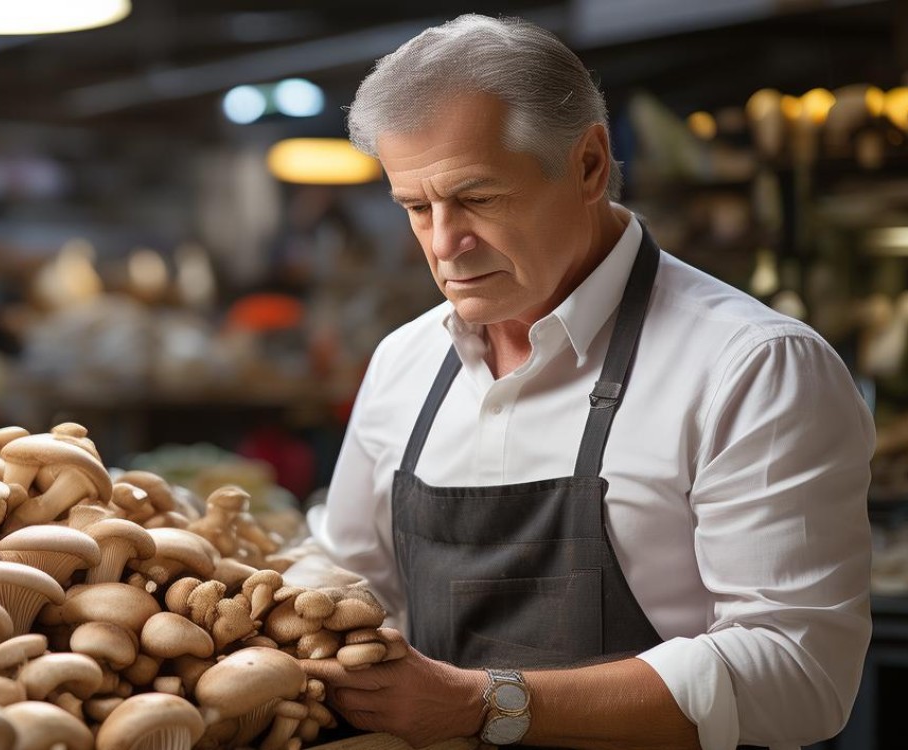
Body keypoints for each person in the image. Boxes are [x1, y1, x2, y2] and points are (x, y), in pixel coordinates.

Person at [298, 14, 873, 750]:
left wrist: (481, 705)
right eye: (416, 208)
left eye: (477, 198)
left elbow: (798, 676)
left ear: (590, 165)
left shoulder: (752, 367)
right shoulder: (403, 364)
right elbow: (349, 580)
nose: (445, 244)